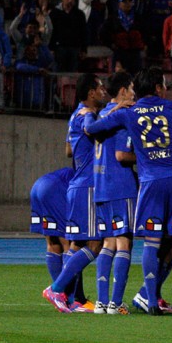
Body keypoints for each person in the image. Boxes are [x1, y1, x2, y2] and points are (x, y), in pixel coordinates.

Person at [82, 68, 172, 315]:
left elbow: (92, 129)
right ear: (158, 87)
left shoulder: (129, 112)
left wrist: (106, 111)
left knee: (152, 240)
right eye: (164, 84)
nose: (166, 88)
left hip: (150, 183)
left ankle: (152, 302)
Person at [41, 74, 111, 314]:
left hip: (77, 183)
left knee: (77, 244)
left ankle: (71, 299)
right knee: (95, 244)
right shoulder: (87, 116)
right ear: (91, 93)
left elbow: (69, 150)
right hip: (88, 185)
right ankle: (57, 287)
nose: (104, 91)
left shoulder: (75, 115)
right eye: (101, 87)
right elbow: (92, 131)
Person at [90, 72, 137, 315]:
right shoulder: (123, 115)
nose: (134, 93)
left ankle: (101, 301)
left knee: (108, 242)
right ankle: (116, 303)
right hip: (120, 186)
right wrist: (144, 156)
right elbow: (122, 155)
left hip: (101, 187)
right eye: (131, 88)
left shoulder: (103, 113)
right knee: (124, 242)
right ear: (122, 91)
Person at [30, 168, 74, 283]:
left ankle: (60, 295)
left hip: (38, 185)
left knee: (53, 241)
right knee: (69, 243)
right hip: (55, 189)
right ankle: (73, 297)